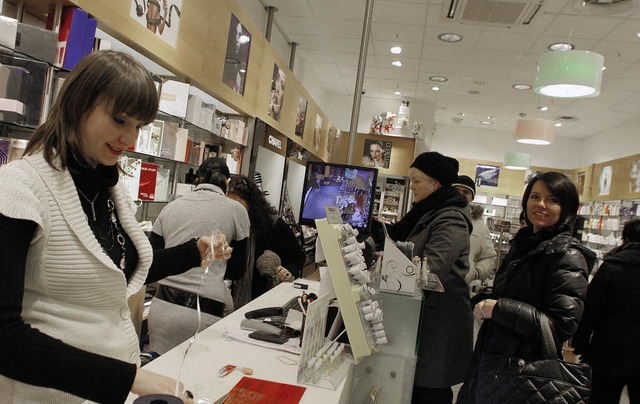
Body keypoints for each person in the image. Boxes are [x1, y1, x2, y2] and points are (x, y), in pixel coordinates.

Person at [0, 50, 216, 403]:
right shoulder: (17, 188)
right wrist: (129, 378)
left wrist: (194, 252)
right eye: (119, 120)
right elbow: (5, 337)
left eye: (139, 126)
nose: (129, 139)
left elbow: (112, 275)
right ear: (78, 105)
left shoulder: (110, 190)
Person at [457, 172, 596, 403]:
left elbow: (561, 325)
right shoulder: (524, 245)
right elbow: (521, 295)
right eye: (535, 196)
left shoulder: (568, 256)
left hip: (526, 373)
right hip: (496, 361)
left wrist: (500, 308)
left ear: (566, 208)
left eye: (552, 200)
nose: (541, 205)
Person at [375, 152, 473, 404]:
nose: (413, 187)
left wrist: (390, 268)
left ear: (435, 184)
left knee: (430, 391)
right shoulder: (427, 212)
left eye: (417, 181)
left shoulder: (451, 218)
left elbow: (432, 269)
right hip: (422, 318)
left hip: (439, 324)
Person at [148, 157, 250, 354]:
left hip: (161, 308)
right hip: (204, 310)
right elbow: (237, 270)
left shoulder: (170, 207)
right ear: (227, 182)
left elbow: (153, 261)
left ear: (197, 178)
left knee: (161, 373)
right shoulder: (237, 211)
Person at [572, 218, 640, 404]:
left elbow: (591, 309)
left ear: (624, 238)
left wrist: (580, 342)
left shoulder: (612, 267)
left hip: (608, 352)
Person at [227, 175, 305, 308]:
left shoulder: (273, 224)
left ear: (250, 202)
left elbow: (297, 257)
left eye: (238, 204)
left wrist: (287, 272)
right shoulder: (229, 224)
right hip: (231, 296)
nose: (234, 209)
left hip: (266, 298)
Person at [452, 175, 497, 284]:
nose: (460, 195)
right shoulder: (437, 216)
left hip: (460, 288)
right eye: (456, 190)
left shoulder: (480, 226)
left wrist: (475, 272)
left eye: (466, 192)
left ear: (472, 197)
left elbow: (490, 258)